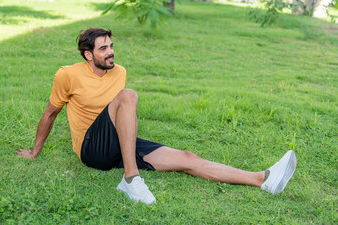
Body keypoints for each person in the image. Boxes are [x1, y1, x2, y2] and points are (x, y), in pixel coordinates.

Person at [16, 28, 297, 205]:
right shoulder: (67, 74)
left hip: (120, 142)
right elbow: (51, 112)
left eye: (111, 45)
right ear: (88, 55)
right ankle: (131, 179)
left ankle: (263, 179)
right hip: (92, 150)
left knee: (187, 158)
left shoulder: (120, 71)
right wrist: (34, 152)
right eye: (104, 49)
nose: (111, 51)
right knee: (129, 96)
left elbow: (121, 114)